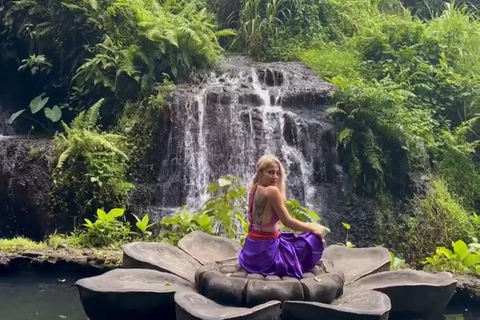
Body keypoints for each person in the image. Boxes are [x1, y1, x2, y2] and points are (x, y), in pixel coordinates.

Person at [238, 155, 328, 279]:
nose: (275, 176)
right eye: (270, 172)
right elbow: (287, 222)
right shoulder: (272, 192)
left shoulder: (254, 188)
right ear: (260, 173)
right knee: (313, 238)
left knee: (288, 237)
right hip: (267, 256)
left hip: (251, 253)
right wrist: (312, 227)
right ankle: (306, 260)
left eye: (277, 173)